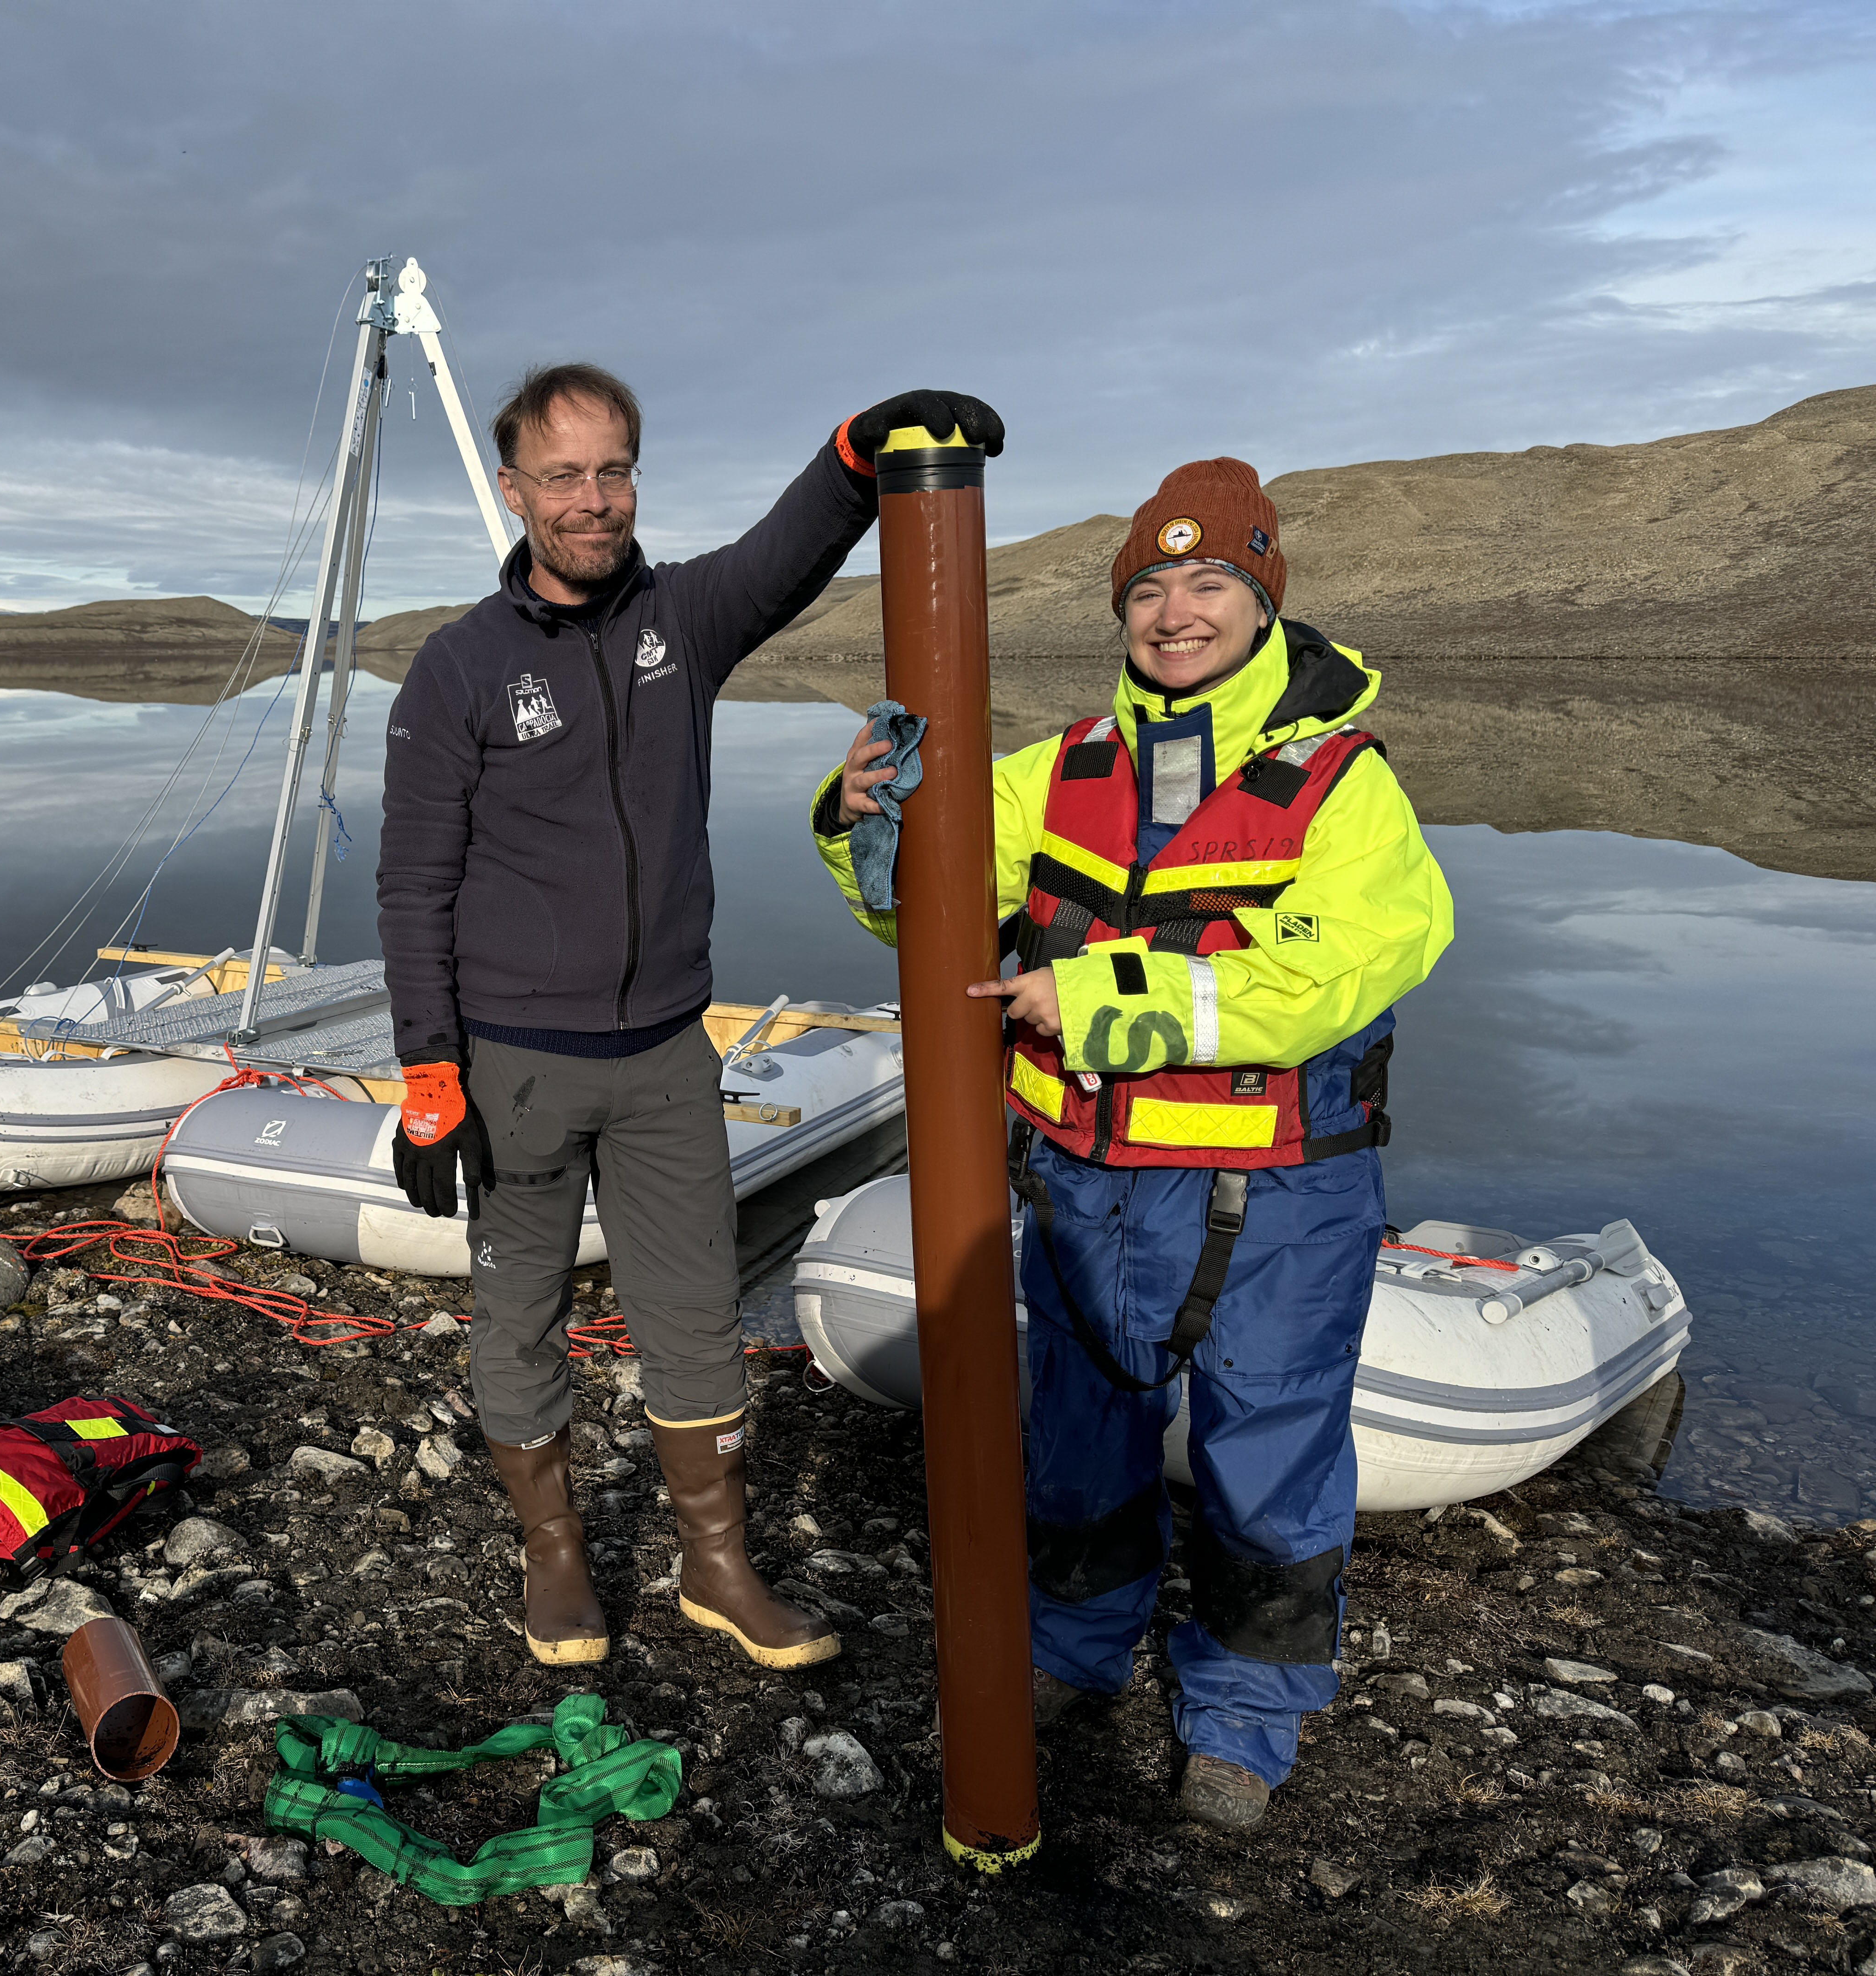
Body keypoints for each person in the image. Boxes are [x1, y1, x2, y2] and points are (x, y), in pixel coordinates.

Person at [810, 456, 1454, 1828]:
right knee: (1082, 1439)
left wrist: (1101, 999)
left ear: (1264, 595)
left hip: (1274, 1192)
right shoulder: (1054, 774)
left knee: (1268, 1456)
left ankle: (1244, 1714)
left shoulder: (1342, 782)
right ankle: (1078, 1650)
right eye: (1150, 586)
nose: (1177, 610)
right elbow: (931, 922)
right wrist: (867, 826)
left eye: (1210, 578)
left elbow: (1348, 966)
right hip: (1083, 1185)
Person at [378, 364, 1005, 1672]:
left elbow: (783, 558)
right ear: (515, 490)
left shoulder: (684, 621)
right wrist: (431, 1073)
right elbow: (415, 881)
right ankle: (557, 1559)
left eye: (614, 471)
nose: (594, 502)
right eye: (564, 476)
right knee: (518, 1317)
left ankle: (716, 1562)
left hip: (667, 1051)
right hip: (519, 1068)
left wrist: (856, 453)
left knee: (696, 1316)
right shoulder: (457, 670)